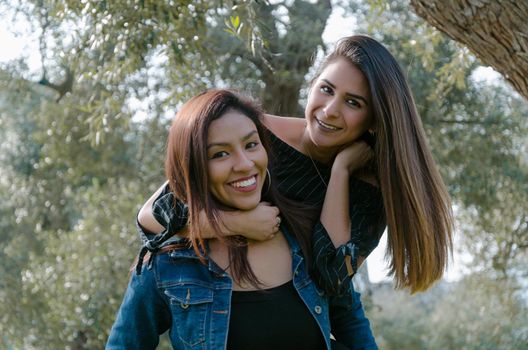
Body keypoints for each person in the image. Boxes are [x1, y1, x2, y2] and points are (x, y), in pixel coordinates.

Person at [138, 34, 454, 295]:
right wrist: (237, 224)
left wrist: (341, 172)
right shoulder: (255, 134)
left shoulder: (370, 192)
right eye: (327, 89)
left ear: (374, 121)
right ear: (313, 84)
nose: (330, 110)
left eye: (353, 102)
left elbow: (330, 278)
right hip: (211, 308)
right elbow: (153, 215)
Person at [106, 89, 369, 349]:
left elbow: (351, 324)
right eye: (220, 154)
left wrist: (342, 167)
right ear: (193, 167)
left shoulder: (305, 234)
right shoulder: (167, 263)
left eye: (251, 145)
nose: (244, 164)